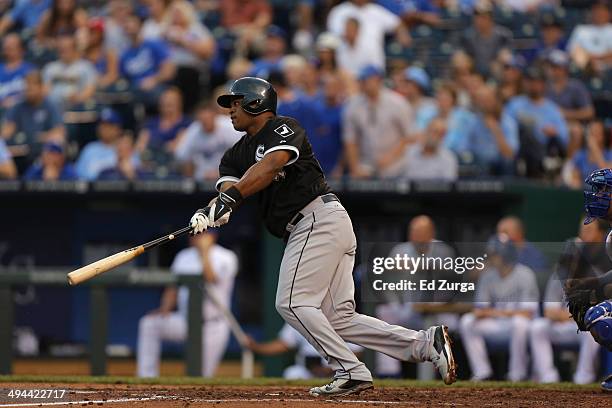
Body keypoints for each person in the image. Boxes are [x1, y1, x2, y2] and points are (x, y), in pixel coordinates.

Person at [187, 76, 456, 397]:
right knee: (339, 318)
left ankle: (351, 370)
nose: (230, 110)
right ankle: (425, 344)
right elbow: (231, 190)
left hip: (317, 218)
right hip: (313, 227)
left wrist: (231, 198)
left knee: (291, 303)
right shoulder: (233, 156)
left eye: (235, 103)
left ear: (255, 102)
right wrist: (213, 209)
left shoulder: (284, 128)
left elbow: (272, 164)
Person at [137, 231, 238, 378]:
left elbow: (210, 278)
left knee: (201, 378)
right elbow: (173, 287)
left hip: (212, 326)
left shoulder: (227, 257)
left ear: (212, 236)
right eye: (194, 233)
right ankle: (146, 377)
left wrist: (204, 252)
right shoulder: (183, 256)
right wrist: (165, 308)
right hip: (186, 321)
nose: (195, 237)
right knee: (150, 324)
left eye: (201, 234)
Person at [376, 215, 459, 378]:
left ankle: (441, 369)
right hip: (408, 310)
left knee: (454, 324)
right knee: (384, 313)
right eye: (413, 232)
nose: (416, 236)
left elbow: (451, 277)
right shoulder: (400, 251)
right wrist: (396, 305)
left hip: (439, 310)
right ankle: (389, 372)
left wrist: (415, 266)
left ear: (431, 233)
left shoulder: (443, 250)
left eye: (421, 232)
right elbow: (387, 284)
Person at [529, 221, 603, 384]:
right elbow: (549, 312)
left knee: (593, 329)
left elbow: (594, 314)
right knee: (537, 327)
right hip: (563, 326)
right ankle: (548, 377)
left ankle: (584, 377)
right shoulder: (558, 276)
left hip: (582, 329)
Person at [459, 234, 539, 381]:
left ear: (506, 255)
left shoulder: (525, 274)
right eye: (491, 254)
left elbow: (527, 313)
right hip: (497, 324)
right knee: (467, 321)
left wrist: (494, 312)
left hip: (520, 327)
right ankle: (482, 372)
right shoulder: (488, 276)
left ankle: (517, 374)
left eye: (495, 254)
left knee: (519, 323)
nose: (492, 258)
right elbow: (478, 311)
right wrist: (500, 313)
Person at [343, 65, 414, 178]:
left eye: (366, 80)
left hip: (397, 167)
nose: (363, 83)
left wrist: (391, 157)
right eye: (361, 80)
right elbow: (350, 140)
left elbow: (409, 137)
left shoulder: (398, 103)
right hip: (367, 167)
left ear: (378, 80)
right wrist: (354, 168)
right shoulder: (353, 105)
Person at [246, 322, 363, 379]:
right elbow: (283, 344)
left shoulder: (341, 317)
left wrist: (332, 367)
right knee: (292, 374)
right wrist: (256, 347)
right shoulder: (299, 316)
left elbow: (356, 351)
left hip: (336, 371)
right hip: (306, 371)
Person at [1, 70, 65, 172]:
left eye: (31, 88)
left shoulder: (50, 105)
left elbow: (59, 133)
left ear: (40, 87)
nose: (28, 91)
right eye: (26, 88)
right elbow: (6, 132)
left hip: (42, 155)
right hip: (20, 154)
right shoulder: (18, 106)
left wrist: (36, 137)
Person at [327, 0, 410, 73]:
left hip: (374, 69)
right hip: (347, 68)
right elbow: (333, 37)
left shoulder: (376, 10)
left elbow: (397, 24)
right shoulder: (339, 11)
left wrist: (403, 35)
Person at [119, 14, 176, 109]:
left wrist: (154, 80)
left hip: (156, 87)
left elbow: (169, 70)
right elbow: (124, 79)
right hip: (135, 91)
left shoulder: (153, 44)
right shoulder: (124, 54)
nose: (127, 25)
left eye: (131, 22)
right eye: (125, 23)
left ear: (140, 25)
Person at [174, 101, 239, 180]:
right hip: (201, 179)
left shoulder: (229, 127)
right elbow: (182, 156)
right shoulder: (194, 130)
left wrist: (224, 172)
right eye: (203, 120)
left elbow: (241, 153)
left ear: (215, 115)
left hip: (227, 176)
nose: (206, 122)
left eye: (208, 118)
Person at [464, 85, 519, 175]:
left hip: (500, 164)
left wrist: (496, 130)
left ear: (495, 101)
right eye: (480, 101)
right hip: (478, 162)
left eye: (487, 100)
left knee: (507, 162)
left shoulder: (508, 123)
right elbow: (465, 148)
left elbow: (510, 154)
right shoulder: (473, 121)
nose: (483, 104)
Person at [42, 34, 97, 112]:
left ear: (74, 48)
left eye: (66, 49)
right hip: (54, 110)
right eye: (61, 49)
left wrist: (78, 98)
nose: (63, 51)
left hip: (77, 110)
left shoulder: (86, 67)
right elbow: (45, 90)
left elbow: (90, 90)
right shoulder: (50, 68)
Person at [136, 87, 191, 165]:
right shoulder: (150, 123)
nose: (166, 106)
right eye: (164, 103)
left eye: (170, 103)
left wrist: (154, 147)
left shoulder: (186, 123)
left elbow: (178, 148)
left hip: (174, 164)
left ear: (179, 103)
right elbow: (140, 147)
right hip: (149, 164)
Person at [458, 0, 512, 77]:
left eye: (483, 16)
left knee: (504, 60)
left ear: (491, 18)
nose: (479, 20)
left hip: (495, 72)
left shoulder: (503, 34)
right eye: (476, 16)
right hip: (475, 73)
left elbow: (506, 55)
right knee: (461, 63)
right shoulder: (468, 36)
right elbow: (463, 56)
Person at [75, 108, 125, 181]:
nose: (104, 128)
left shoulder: (125, 149)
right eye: (102, 124)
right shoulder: (89, 149)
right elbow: (77, 177)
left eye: (109, 125)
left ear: (118, 128)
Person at [568, 0, 612, 73]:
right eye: (596, 10)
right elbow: (573, 52)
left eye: (602, 10)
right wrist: (589, 61)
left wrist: (593, 57)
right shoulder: (581, 29)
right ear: (591, 12)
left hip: (608, 68)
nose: (599, 13)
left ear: (609, 13)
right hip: (585, 69)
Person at [567, 121, 612, 189]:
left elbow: (607, 175)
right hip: (585, 193)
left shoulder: (609, 154)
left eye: (597, 133)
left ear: (603, 136)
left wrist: (595, 150)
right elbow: (575, 178)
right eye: (592, 133)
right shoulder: (580, 155)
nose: (593, 136)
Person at [84, 18, 119, 91]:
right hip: (87, 88)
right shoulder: (83, 54)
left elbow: (113, 75)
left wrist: (98, 82)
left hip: (104, 89)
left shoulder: (108, 53)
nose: (91, 35)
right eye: (90, 32)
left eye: (95, 32)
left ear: (101, 34)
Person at [0, 34, 34, 110]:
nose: (8, 47)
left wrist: (15, 101)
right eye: (6, 45)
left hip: (22, 111)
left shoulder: (30, 70)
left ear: (21, 49)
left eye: (12, 45)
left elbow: (34, 93)